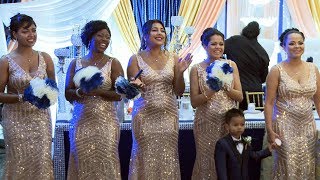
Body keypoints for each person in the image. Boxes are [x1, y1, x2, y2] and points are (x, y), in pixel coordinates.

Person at [127, 19, 192, 179]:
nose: (160, 33)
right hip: (144, 115)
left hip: (168, 115)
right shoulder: (135, 59)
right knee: (144, 155)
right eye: (154, 30)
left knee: (167, 157)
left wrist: (181, 72)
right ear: (145, 35)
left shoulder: (174, 58)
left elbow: (179, 90)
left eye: (162, 30)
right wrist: (137, 86)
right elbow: (130, 91)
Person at [65, 20, 123, 179]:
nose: (105, 40)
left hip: (107, 123)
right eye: (100, 35)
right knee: (82, 161)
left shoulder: (114, 63)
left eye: (107, 37)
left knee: (106, 161)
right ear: (89, 37)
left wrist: (97, 91)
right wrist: (80, 91)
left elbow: (119, 94)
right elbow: (67, 93)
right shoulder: (75, 63)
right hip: (81, 121)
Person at [0, 13, 55, 179]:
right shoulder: (6, 60)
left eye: (34, 30)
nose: (31, 35)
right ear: (15, 34)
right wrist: (22, 97)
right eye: (25, 31)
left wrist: (47, 95)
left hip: (41, 119)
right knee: (19, 160)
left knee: (42, 160)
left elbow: (53, 89)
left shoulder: (45, 57)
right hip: (15, 119)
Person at [265, 28, 320, 179]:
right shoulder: (276, 70)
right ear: (283, 46)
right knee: (287, 164)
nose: (297, 46)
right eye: (292, 43)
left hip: (308, 126)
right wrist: (269, 130)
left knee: (308, 163)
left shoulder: (313, 69)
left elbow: (318, 99)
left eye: (300, 43)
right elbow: (269, 103)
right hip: (284, 125)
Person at [190, 28, 243, 180]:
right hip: (205, 122)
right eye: (213, 44)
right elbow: (194, 102)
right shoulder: (196, 69)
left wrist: (226, 87)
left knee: (229, 161)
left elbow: (239, 97)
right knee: (207, 160)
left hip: (229, 123)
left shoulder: (231, 65)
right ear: (204, 45)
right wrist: (212, 89)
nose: (218, 47)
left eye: (221, 44)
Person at [215, 108, 272, 180]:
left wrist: (268, 150)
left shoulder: (245, 141)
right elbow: (221, 170)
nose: (239, 127)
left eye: (242, 125)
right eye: (235, 125)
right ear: (227, 127)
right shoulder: (222, 144)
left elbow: (253, 156)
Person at [224, 21, 270, 110]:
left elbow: (218, 50)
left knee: (235, 121)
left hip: (235, 90)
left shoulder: (234, 41)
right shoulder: (263, 52)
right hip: (255, 93)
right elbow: (264, 78)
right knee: (254, 121)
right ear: (258, 33)